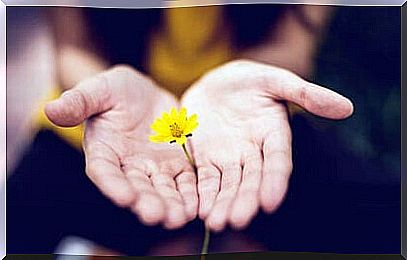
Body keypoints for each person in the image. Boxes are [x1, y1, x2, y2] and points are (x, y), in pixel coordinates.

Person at [8, 4, 360, 255]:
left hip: (245, 122)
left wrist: (248, 80)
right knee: (14, 229)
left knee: (377, 213)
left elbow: (292, 46)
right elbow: (73, 48)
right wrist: (99, 90)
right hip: (113, 126)